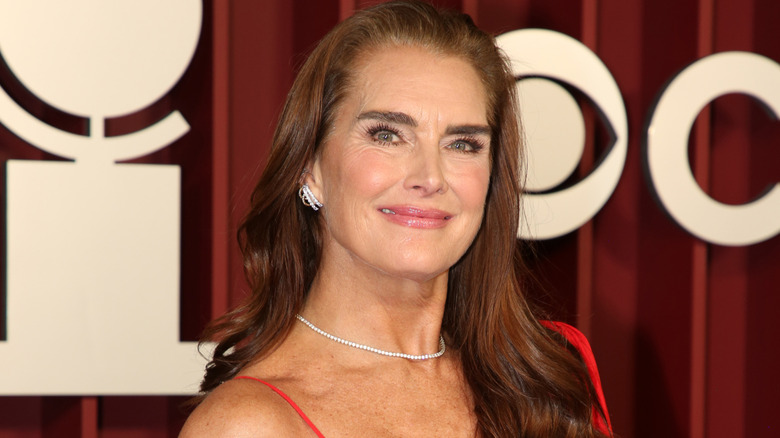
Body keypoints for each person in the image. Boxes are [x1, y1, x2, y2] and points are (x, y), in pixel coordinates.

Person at [180, 1, 611, 436]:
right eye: (387, 135)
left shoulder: (548, 383)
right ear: (309, 166)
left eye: (462, 144)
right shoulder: (248, 425)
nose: (430, 177)